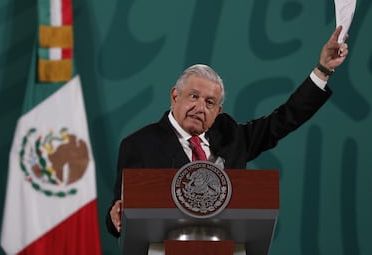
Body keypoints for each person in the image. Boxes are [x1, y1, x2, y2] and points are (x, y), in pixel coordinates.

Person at [106, 26, 349, 237]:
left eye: (210, 103)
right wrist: (116, 214)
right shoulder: (139, 144)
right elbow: (120, 209)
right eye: (194, 96)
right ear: (174, 96)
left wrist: (323, 70)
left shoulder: (231, 136)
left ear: (218, 110)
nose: (200, 107)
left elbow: (284, 119)